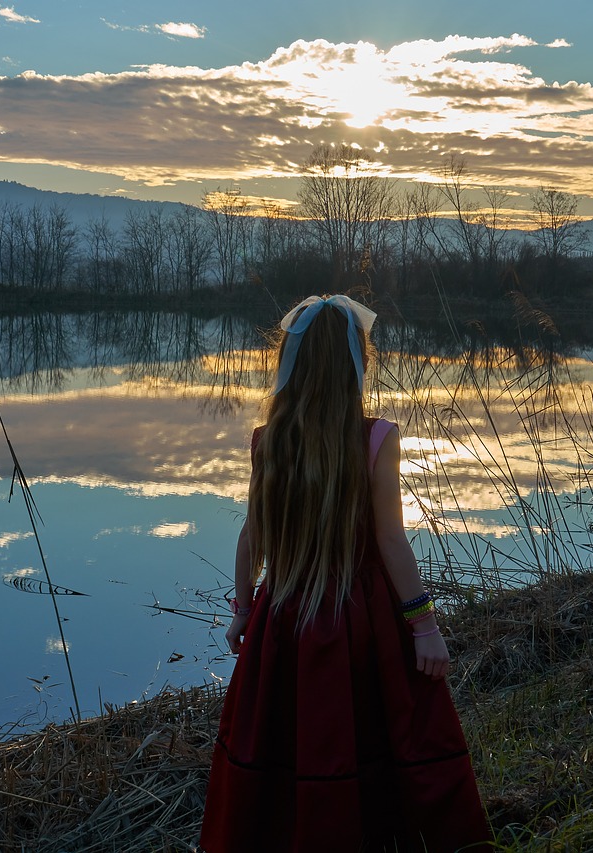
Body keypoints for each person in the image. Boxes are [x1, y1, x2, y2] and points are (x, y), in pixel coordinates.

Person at [199, 295, 492, 852]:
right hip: (361, 622)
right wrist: (424, 627)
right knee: (367, 734)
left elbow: (251, 538)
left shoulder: (269, 439)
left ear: (292, 361)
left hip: (281, 618)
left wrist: (242, 612)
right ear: (357, 362)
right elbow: (390, 541)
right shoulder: (377, 437)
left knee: (285, 738)